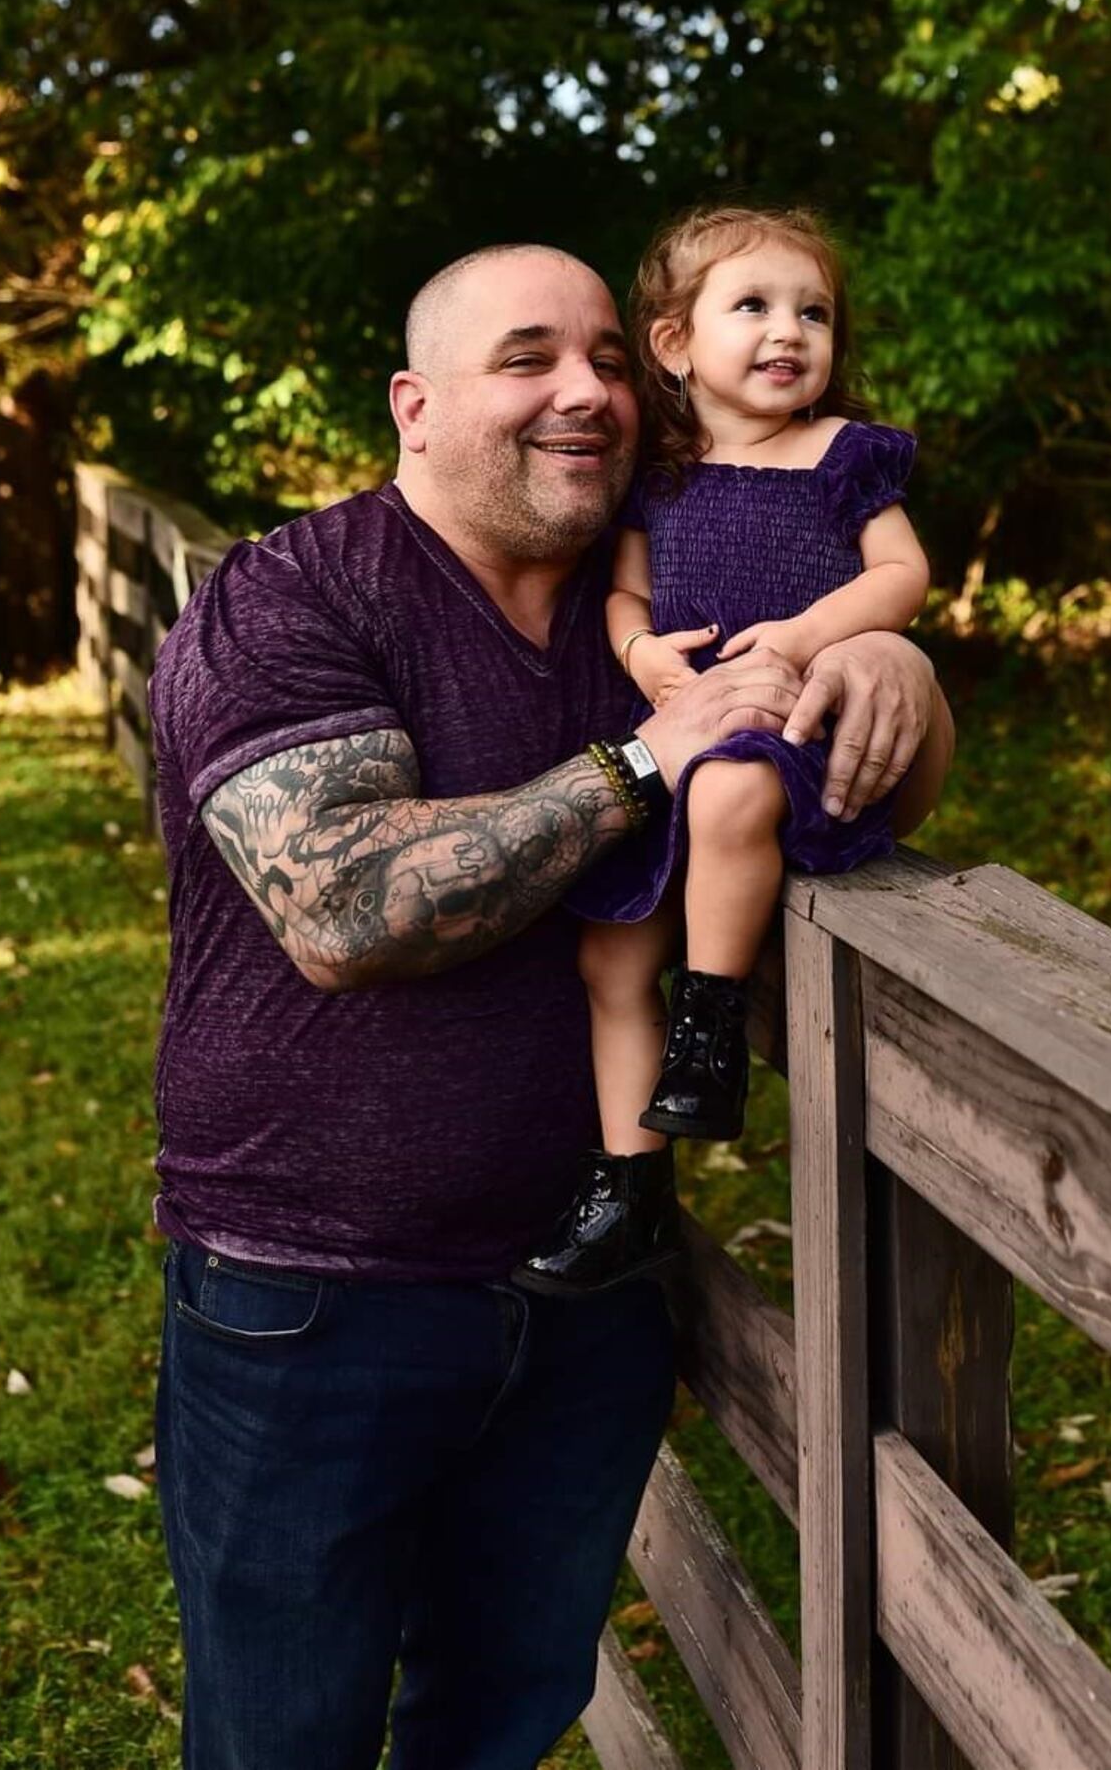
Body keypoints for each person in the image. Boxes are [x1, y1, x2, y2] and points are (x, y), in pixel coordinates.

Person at [145, 241, 952, 1770]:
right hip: (313, 1296)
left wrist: (904, 671)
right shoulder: (292, 596)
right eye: (527, 358)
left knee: (501, 1722)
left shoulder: (650, 600)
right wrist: (646, 755)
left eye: (602, 361)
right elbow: (344, 906)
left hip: (587, 1294)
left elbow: (841, 763)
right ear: (417, 404)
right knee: (283, 1737)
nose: (584, 392)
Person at [516, 206, 930, 1295]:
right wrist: (649, 659)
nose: (788, 331)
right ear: (673, 344)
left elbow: (901, 577)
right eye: (752, 306)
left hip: (791, 736)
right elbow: (625, 598)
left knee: (735, 789)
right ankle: (631, 1186)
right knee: (608, 956)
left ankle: (707, 1019)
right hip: (681, 729)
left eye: (814, 313)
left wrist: (801, 637)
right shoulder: (661, 472)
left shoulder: (842, 456)